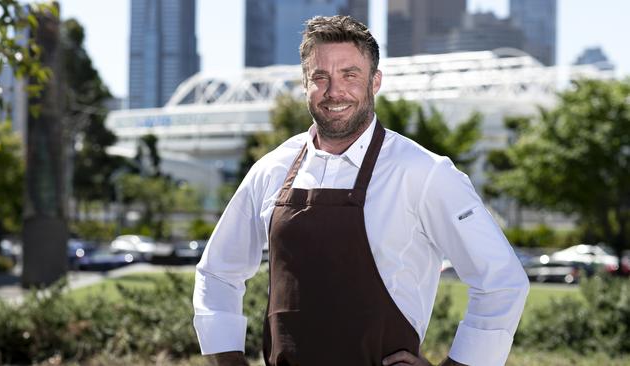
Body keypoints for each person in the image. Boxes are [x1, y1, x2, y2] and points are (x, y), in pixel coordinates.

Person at [193, 15, 529, 366]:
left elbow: (502, 281)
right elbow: (217, 272)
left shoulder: (423, 172)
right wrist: (228, 360)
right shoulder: (271, 169)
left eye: (349, 75)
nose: (334, 91)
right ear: (305, 83)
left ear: (375, 82)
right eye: (320, 77)